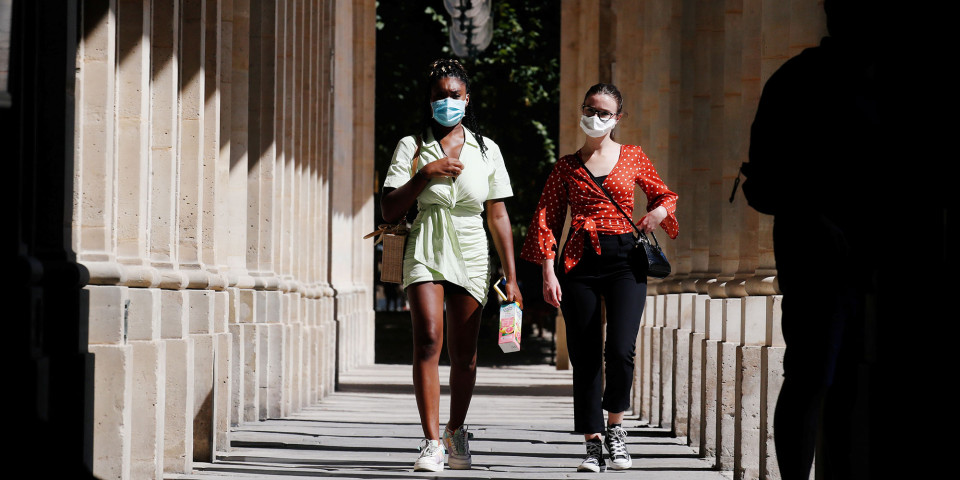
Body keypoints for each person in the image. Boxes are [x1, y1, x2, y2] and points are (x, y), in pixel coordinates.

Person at [520, 83, 678, 472]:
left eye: (604, 112)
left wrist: (657, 214)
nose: (595, 117)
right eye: (590, 109)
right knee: (586, 353)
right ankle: (592, 442)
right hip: (579, 261)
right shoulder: (566, 167)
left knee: (621, 349)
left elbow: (665, 195)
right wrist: (547, 271)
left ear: (617, 118)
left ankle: (616, 428)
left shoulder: (633, 156)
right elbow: (547, 219)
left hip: (626, 259)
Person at [380, 58, 522, 472]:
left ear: (467, 98)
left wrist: (511, 277)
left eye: (454, 95)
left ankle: (455, 432)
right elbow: (389, 208)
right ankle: (430, 443)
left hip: (473, 248)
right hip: (426, 243)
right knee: (427, 338)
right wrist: (426, 172)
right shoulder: (412, 145)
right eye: (440, 95)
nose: (447, 101)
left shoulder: (486, 148)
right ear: (429, 100)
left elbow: (497, 215)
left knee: (465, 353)